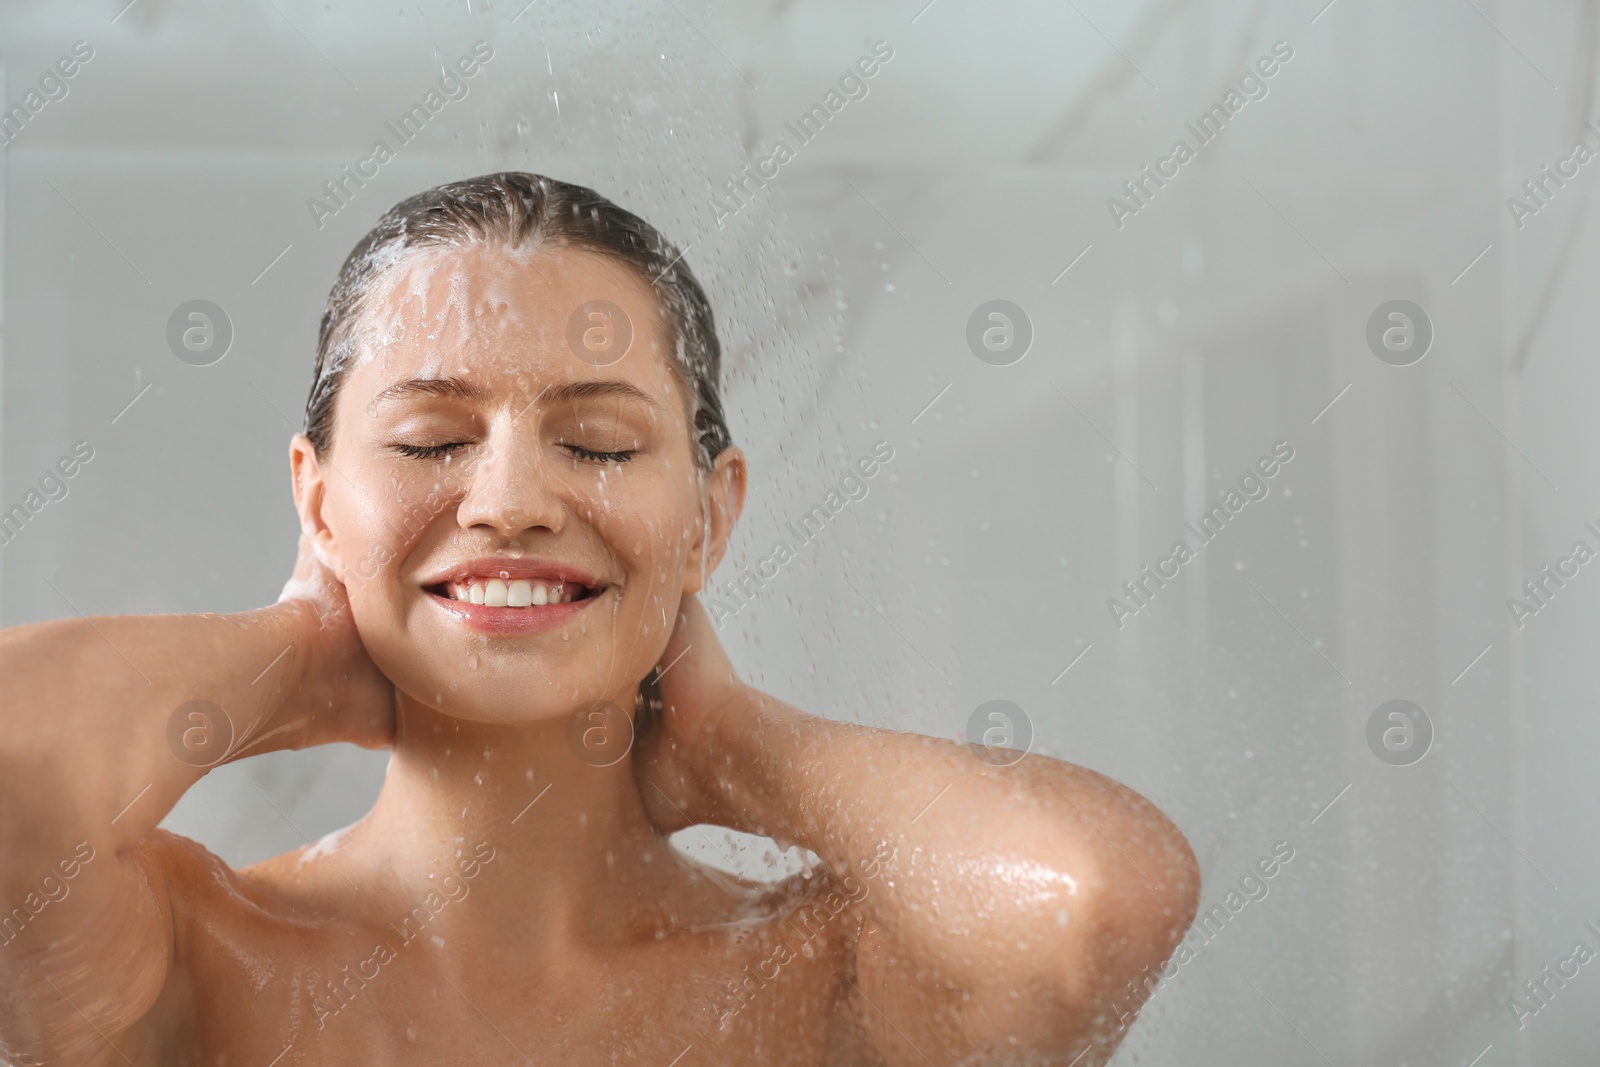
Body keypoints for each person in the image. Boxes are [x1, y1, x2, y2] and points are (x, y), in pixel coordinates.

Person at [0, 172, 1198, 1065]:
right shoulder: (200, 955)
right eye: (430, 440)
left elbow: (1096, 900)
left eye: (598, 442)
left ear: (709, 516)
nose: (513, 500)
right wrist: (291, 654)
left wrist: (736, 746)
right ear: (318, 499)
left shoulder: (821, 977)